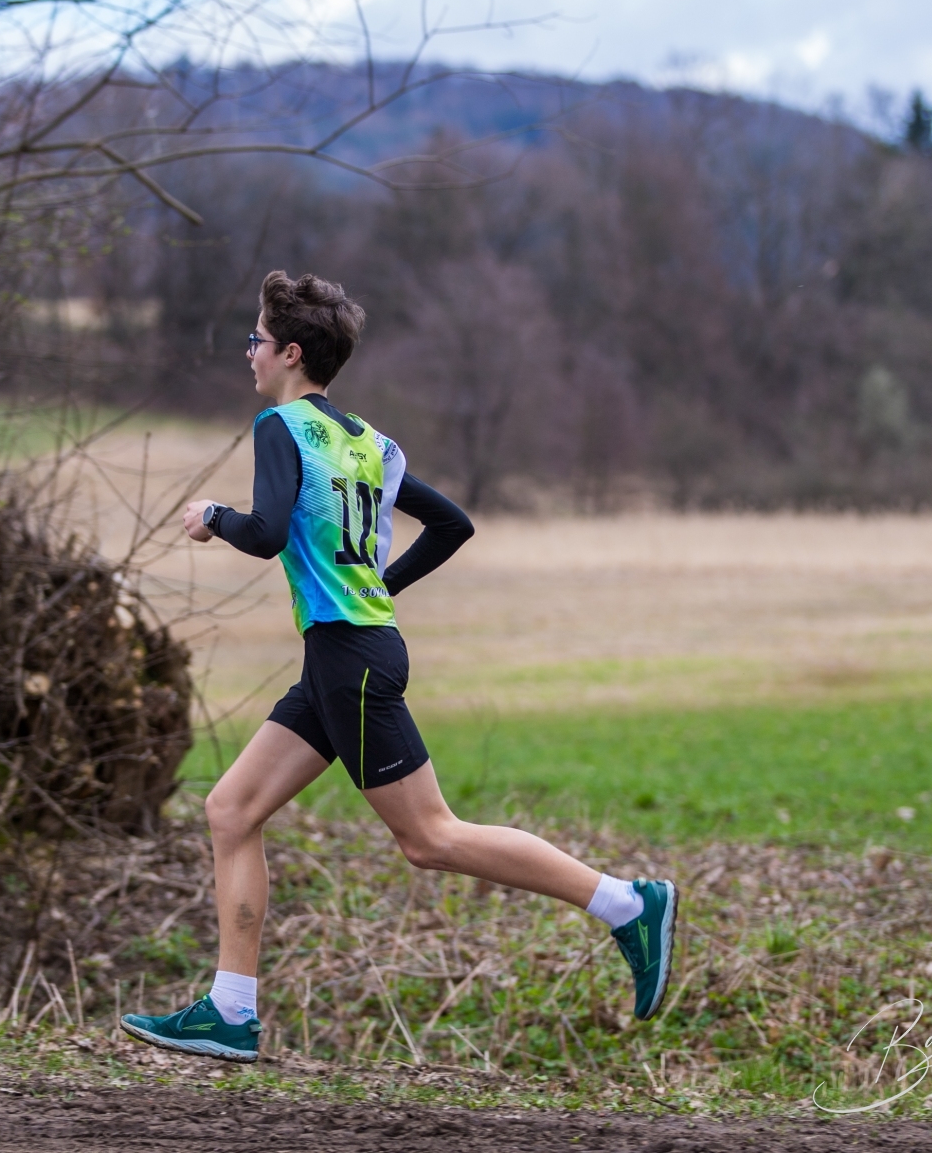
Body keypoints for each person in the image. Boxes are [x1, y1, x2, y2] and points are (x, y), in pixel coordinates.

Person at [118, 271, 677, 1063]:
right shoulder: (369, 445)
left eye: (256, 340)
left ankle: (627, 904)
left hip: (350, 663)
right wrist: (382, 585)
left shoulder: (281, 427)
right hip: (345, 656)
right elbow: (452, 525)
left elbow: (268, 532)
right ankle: (231, 1010)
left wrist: (214, 517)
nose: (249, 353)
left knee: (430, 837)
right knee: (232, 811)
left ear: (290, 353)